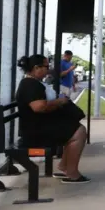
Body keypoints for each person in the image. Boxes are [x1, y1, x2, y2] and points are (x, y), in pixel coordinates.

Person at [15, 54, 90, 183]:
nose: (48, 69)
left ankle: (65, 167)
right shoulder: (29, 85)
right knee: (79, 132)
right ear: (36, 68)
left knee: (76, 129)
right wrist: (59, 102)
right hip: (35, 133)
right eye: (46, 66)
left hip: (38, 126)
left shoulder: (33, 82)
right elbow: (39, 107)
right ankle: (71, 172)